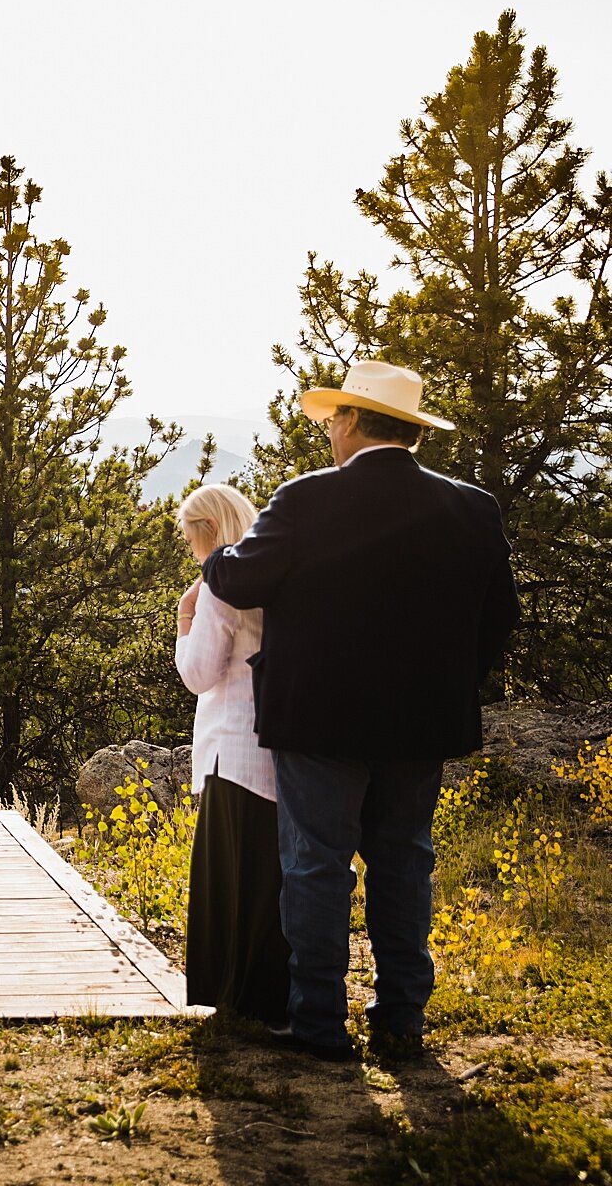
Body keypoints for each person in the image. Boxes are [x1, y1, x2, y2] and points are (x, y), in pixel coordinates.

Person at [201, 360, 518, 1061]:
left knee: (316, 865)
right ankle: (402, 1018)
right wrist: (450, 681)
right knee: (404, 862)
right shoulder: (471, 507)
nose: (330, 432)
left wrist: (216, 553)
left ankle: (318, 1024)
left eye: (332, 420)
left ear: (349, 421)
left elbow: (241, 578)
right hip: (422, 725)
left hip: (317, 722)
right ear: (413, 432)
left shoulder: (306, 499)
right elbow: (501, 614)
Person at [174, 484, 289, 1026]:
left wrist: (183, 621)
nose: (192, 553)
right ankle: (268, 990)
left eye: (192, 539)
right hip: (273, 749)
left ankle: (232, 994)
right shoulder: (273, 576)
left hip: (229, 748)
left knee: (228, 876)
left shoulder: (220, 585)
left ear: (210, 532)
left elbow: (200, 675)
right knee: (267, 876)